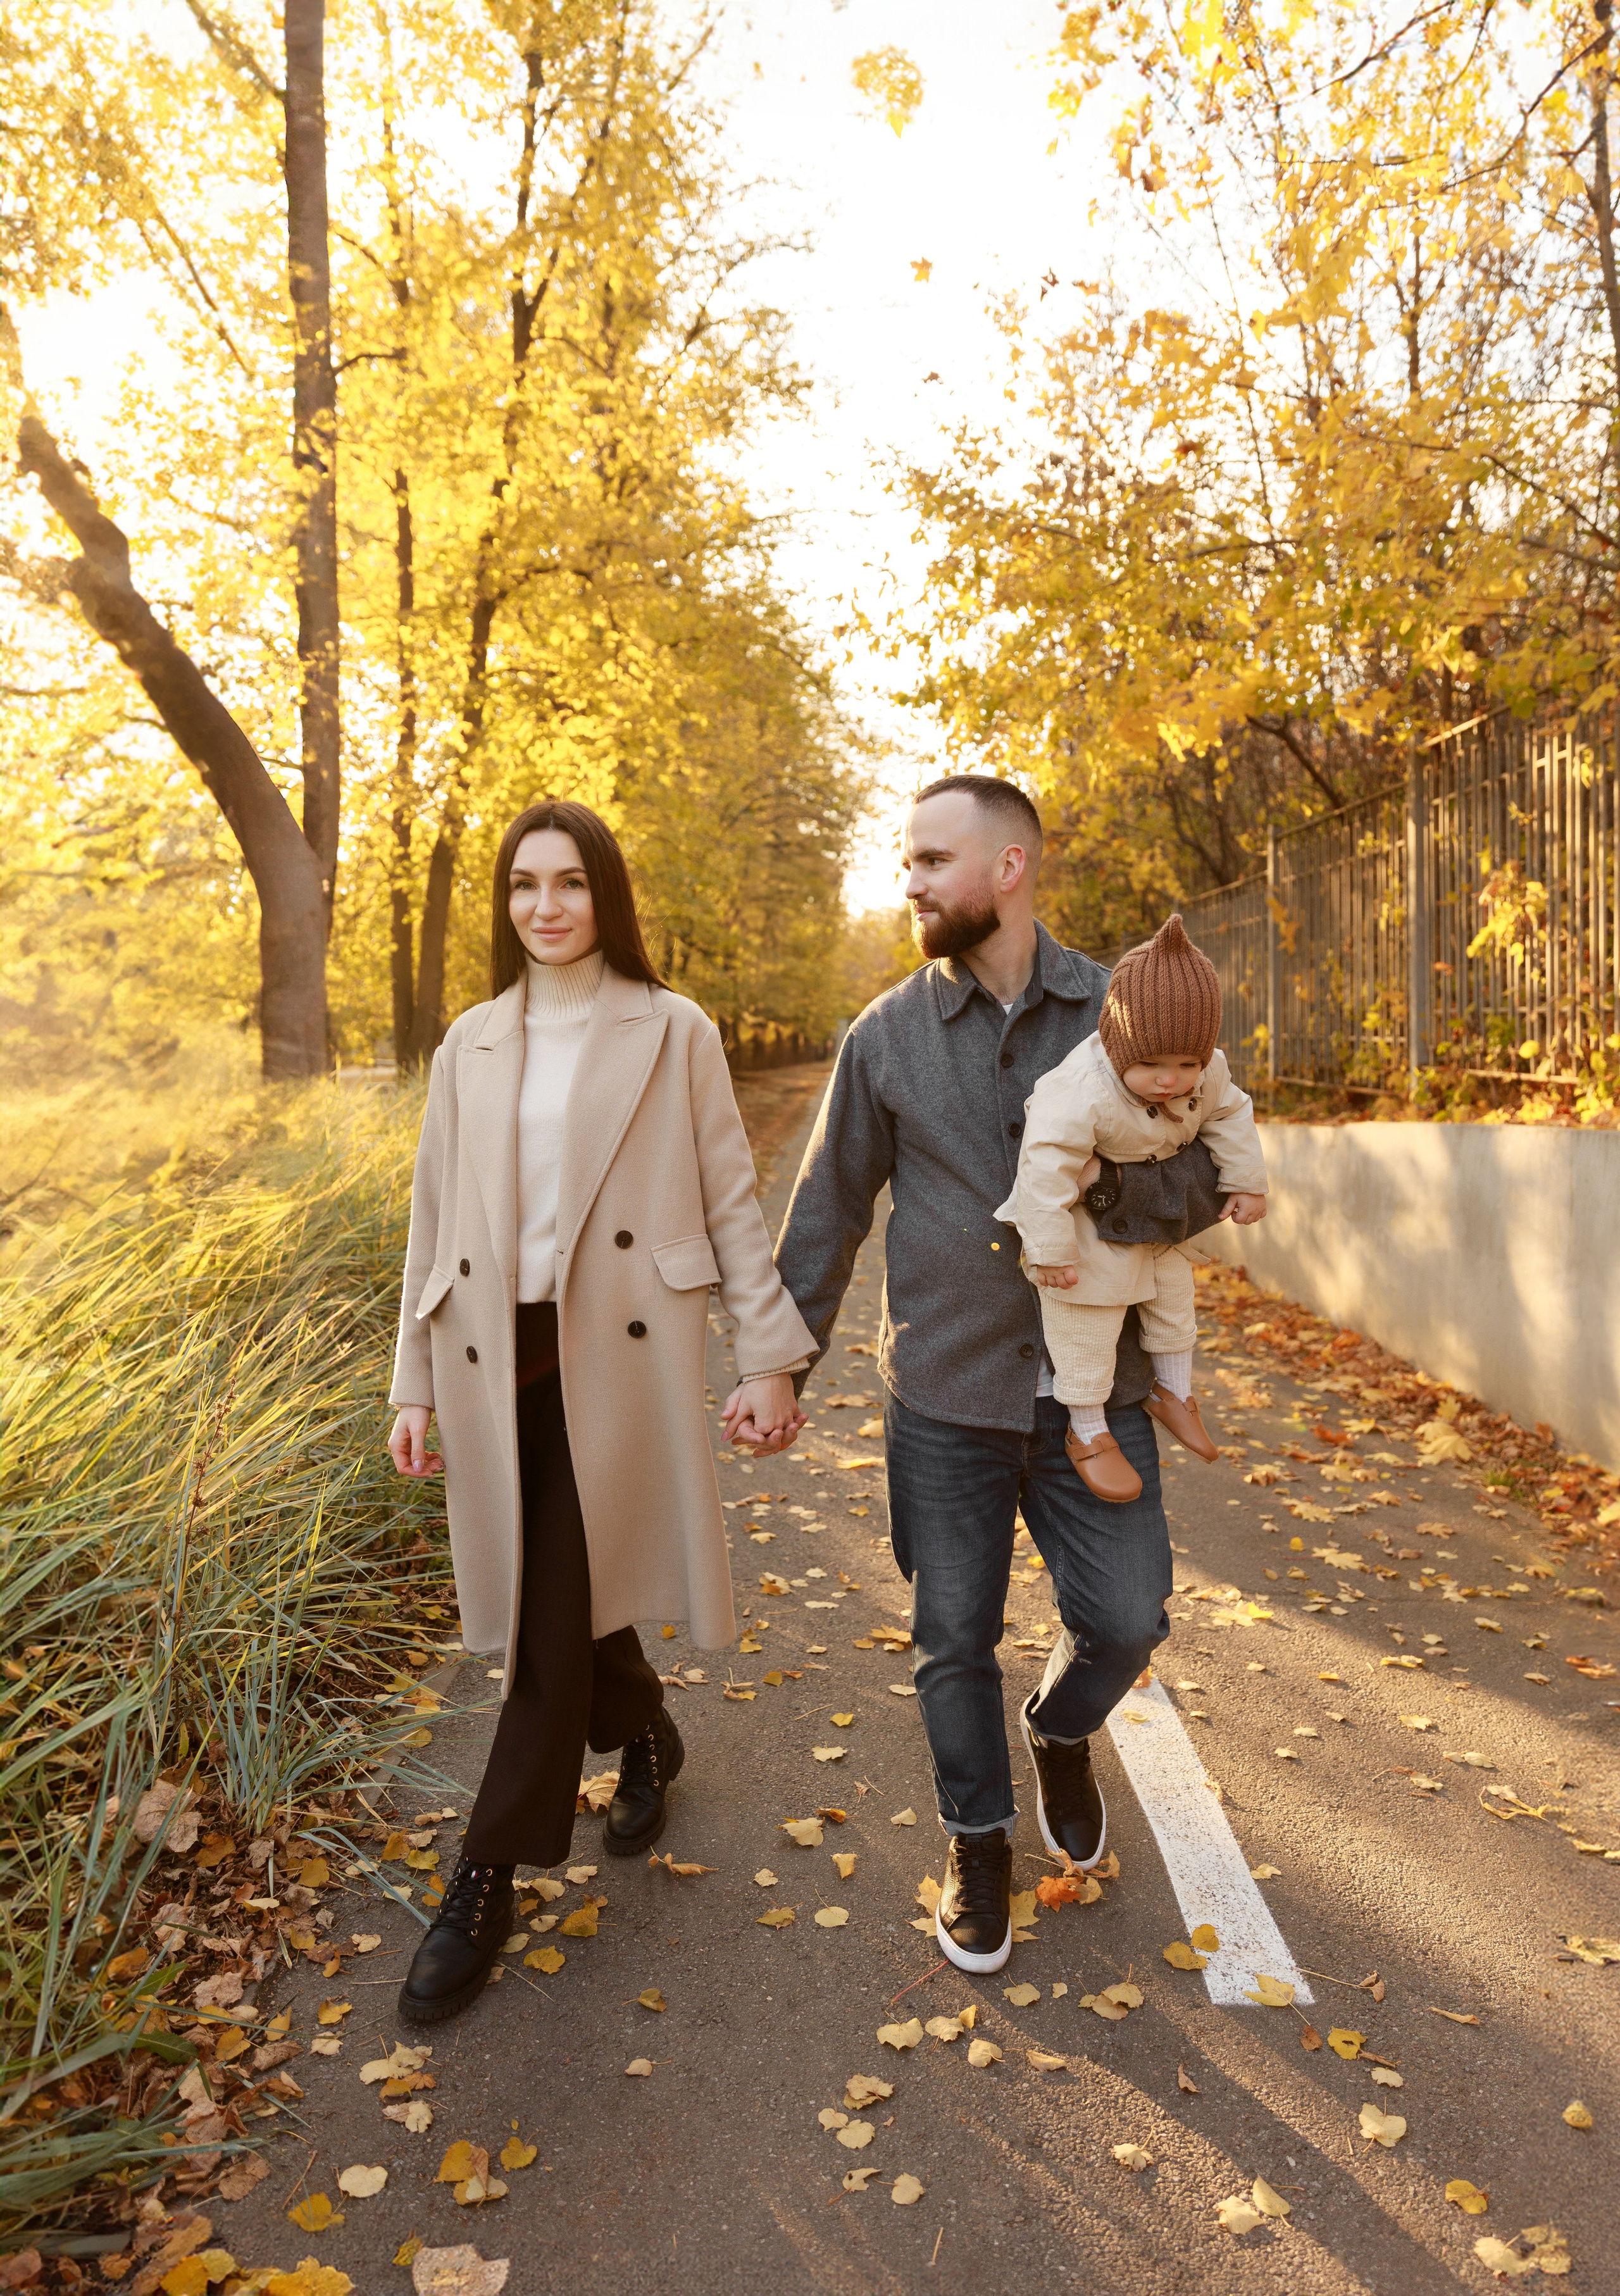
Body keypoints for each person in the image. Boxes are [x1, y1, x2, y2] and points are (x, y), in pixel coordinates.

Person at [755, 775, 1228, 1978]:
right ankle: (978, 1840)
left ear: (1010, 867)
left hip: (1095, 1396)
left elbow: (1205, 1154)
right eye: (905, 860)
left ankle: (1061, 1730)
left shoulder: (1122, 1015)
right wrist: (779, 1363)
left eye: (929, 859)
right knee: (949, 1636)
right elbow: (827, 1212)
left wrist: (1116, 1203)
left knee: (1129, 1616)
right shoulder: (885, 1036)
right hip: (945, 1400)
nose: (907, 881)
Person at [386, 799, 814, 2022]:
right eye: (525, 885)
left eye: (570, 882)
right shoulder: (468, 1040)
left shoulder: (671, 1028)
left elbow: (731, 1196)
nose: (546, 906)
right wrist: (410, 1379)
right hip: (490, 1353)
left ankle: (486, 1867)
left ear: (604, 895)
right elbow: (430, 1225)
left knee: (545, 1606)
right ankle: (645, 1728)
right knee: (557, 1592)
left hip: (612, 1351)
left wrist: (768, 1355)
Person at [994, 913, 1268, 1503]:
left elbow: (1230, 1112)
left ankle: (1174, 1392)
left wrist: (1246, 1182)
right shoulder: (1080, 1090)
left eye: (1187, 1067)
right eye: (1152, 1067)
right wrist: (1048, 1251)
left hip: (1153, 1225)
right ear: (1120, 1048)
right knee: (1087, 1320)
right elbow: (1043, 1169)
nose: (1172, 1082)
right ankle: (1087, 1430)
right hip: (1081, 1231)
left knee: (1175, 1297)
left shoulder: (1205, 1070)